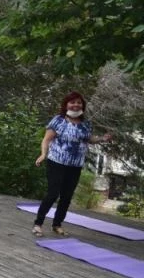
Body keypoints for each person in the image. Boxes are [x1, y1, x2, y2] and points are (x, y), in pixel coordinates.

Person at [32, 91, 109, 236]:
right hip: (56, 162)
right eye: (72, 102)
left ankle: (57, 224)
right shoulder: (58, 120)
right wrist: (43, 154)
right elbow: (46, 139)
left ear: (82, 106)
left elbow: (89, 139)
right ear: (66, 104)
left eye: (79, 103)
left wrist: (102, 139)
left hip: (75, 166)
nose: (76, 105)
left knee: (66, 196)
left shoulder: (86, 124)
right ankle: (38, 224)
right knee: (52, 194)